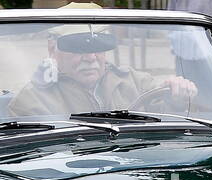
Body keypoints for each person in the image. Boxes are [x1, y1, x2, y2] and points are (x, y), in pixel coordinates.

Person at [11, 19, 197, 119]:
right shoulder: (32, 100)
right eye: (78, 48)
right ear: (53, 49)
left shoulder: (137, 82)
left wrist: (178, 98)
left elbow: (172, 127)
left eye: (98, 47)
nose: (91, 58)